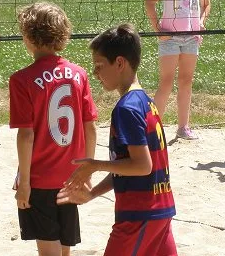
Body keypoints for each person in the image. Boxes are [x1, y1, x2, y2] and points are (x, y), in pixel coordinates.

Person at [57, 24, 177, 256]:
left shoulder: (127, 109)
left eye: (99, 66)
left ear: (120, 63)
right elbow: (128, 166)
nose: (95, 73)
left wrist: (96, 165)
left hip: (139, 215)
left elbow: (142, 166)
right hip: (160, 210)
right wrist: (92, 194)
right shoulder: (146, 102)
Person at [10, 2, 98, 256]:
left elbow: (26, 135)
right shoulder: (79, 74)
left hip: (40, 180)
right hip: (71, 177)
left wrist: (24, 183)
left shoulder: (22, 80)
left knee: (49, 252)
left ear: (28, 37)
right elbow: (90, 128)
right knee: (64, 249)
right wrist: (86, 172)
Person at [144, 0, 210, 140]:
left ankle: (183, 127)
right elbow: (149, 2)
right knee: (166, 82)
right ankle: (153, 130)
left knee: (186, 81)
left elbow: (207, 5)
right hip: (170, 37)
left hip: (191, 37)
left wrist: (200, 22)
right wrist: (158, 30)